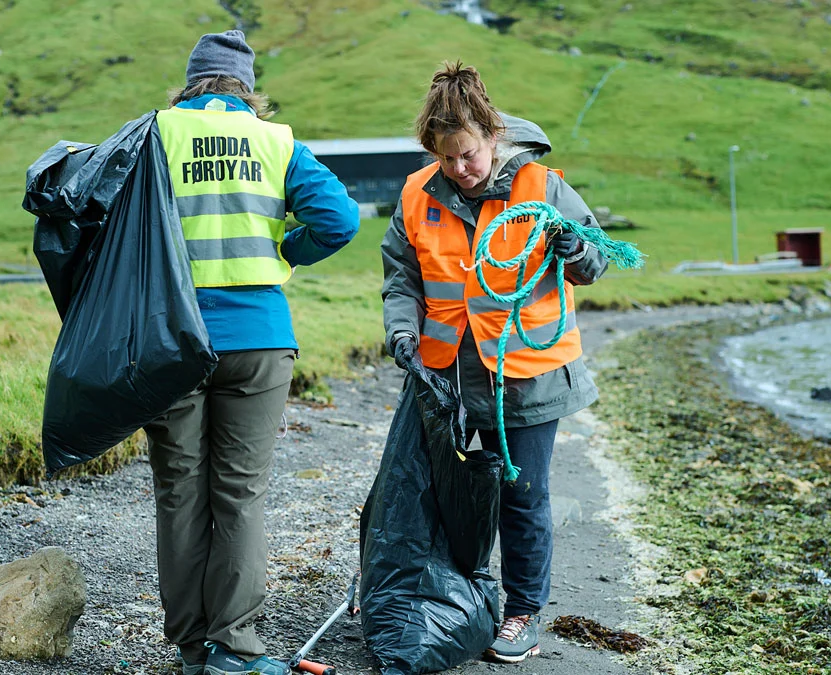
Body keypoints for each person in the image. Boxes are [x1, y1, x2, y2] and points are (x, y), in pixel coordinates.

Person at [144, 31, 360, 675]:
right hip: (259, 339)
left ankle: (189, 647)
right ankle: (233, 650)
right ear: (246, 86)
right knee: (239, 496)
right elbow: (340, 221)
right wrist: (284, 252)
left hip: (170, 341)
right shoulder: (276, 141)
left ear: (190, 83)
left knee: (180, 494)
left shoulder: (154, 134)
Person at [380, 61, 609, 664]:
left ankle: (522, 613)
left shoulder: (543, 188)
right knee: (440, 491)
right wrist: (401, 332)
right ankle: (449, 596)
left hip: (528, 377)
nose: (461, 170)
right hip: (445, 375)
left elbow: (595, 265)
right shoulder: (415, 192)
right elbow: (401, 280)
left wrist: (576, 247)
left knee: (521, 495)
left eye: (470, 156)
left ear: (494, 137)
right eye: (448, 159)